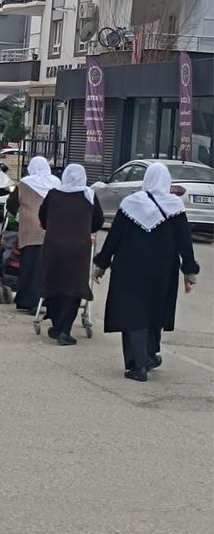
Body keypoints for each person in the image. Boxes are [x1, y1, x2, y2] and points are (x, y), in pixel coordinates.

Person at [92, 163, 200, 381]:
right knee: (154, 311)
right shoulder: (175, 206)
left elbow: (115, 237)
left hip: (129, 268)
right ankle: (149, 354)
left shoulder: (131, 204)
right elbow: (184, 242)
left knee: (132, 313)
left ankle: (138, 364)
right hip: (162, 269)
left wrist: (102, 264)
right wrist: (189, 272)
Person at [39, 164, 104, 346]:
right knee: (74, 287)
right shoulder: (88, 195)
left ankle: (56, 325)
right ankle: (65, 330)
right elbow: (98, 221)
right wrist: (85, 228)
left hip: (53, 246)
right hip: (78, 249)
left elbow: (42, 216)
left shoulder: (53, 194)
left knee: (54, 283)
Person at [5, 157, 61, 313]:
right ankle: (45, 300)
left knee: (30, 266)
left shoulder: (25, 183)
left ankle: (28, 301)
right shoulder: (56, 183)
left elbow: (11, 204)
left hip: (30, 230)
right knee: (46, 267)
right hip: (51, 229)